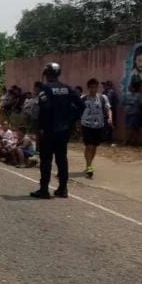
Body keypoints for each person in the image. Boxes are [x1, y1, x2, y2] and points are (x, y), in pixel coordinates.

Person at [30, 62, 83, 199]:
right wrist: (71, 120)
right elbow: (81, 105)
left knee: (46, 160)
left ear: (46, 74)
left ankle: (44, 189)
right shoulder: (67, 88)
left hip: (48, 130)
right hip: (64, 130)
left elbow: (42, 110)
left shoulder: (45, 89)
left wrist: (39, 128)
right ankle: (63, 189)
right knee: (62, 159)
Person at [79, 78, 112, 179]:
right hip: (86, 125)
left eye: (95, 87)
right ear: (88, 88)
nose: (93, 89)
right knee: (88, 146)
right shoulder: (83, 98)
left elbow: (108, 109)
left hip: (99, 125)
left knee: (94, 147)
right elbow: (78, 111)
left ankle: (89, 163)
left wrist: (110, 118)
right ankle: (89, 167)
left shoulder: (103, 98)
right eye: (91, 87)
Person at [123, 81, 142, 147]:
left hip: (135, 114)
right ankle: (132, 142)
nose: (129, 87)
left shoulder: (139, 95)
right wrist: (127, 104)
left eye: (130, 86)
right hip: (128, 113)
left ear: (134, 88)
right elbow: (123, 103)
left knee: (132, 128)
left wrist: (139, 107)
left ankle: (128, 141)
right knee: (129, 127)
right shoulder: (127, 94)